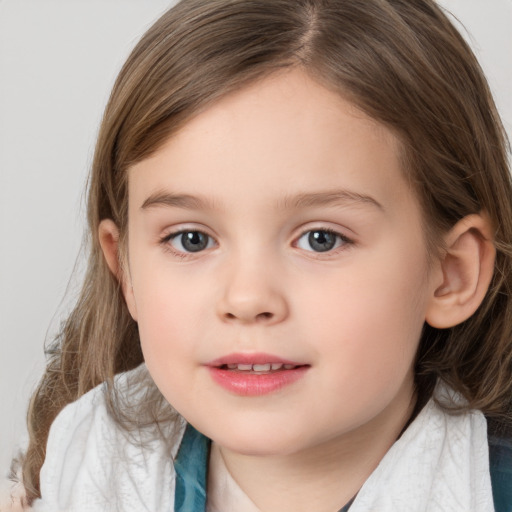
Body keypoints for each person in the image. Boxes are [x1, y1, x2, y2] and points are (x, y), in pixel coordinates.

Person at [13, 0, 512, 510]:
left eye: (322, 238)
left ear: (452, 273)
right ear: (128, 273)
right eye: (192, 239)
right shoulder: (92, 460)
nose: (248, 298)